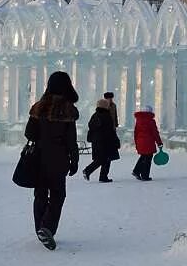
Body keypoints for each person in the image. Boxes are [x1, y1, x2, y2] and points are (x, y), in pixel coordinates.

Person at [24, 70, 79, 250]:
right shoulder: (68, 109)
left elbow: (29, 133)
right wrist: (74, 159)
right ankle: (47, 228)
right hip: (59, 157)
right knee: (58, 194)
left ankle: (40, 227)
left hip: (38, 155)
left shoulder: (39, 106)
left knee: (40, 193)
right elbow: (71, 139)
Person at [83, 99, 120, 182]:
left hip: (96, 141)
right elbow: (110, 131)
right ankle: (89, 171)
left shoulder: (95, 115)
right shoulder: (106, 116)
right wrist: (116, 141)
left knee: (102, 159)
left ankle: (102, 176)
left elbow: (91, 127)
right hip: (105, 141)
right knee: (104, 159)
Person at [131, 105, 162, 181]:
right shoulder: (151, 121)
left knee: (143, 156)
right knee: (148, 159)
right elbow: (155, 133)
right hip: (148, 142)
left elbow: (136, 132)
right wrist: (159, 142)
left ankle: (136, 171)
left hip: (140, 141)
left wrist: (136, 142)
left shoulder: (138, 120)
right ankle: (145, 176)